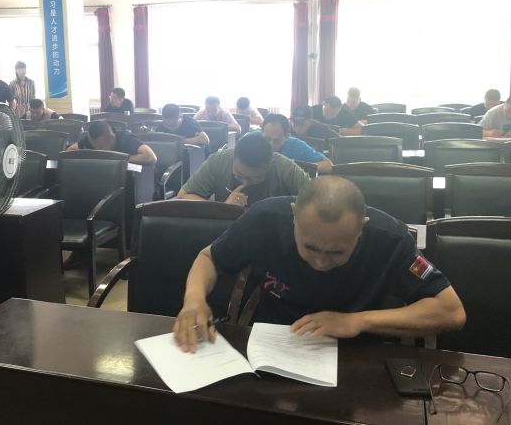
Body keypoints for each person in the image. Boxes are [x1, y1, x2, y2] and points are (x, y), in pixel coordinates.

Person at [173, 176, 466, 352]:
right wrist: (194, 299)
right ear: (293, 217)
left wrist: (357, 321)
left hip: (354, 351)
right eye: (310, 247)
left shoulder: (390, 239)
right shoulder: (265, 218)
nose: (321, 261)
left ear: (361, 229)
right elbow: (210, 257)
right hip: (272, 343)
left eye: (337, 252)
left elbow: (451, 311)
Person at [177, 133, 309, 207]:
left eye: (255, 178)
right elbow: (183, 195)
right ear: (233, 157)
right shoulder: (219, 160)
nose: (245, 183)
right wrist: (222, 208)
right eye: (239, 175)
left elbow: (316, 199)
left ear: (270, 164)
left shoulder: (284, 167)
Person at [260, 114, 331, 174]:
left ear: (287, 136)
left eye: (276, 140)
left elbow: (328, 165)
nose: (271, 144)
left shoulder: (296, 145)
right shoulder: (254, 139)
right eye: (267, 139)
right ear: (261, 133)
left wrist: (295, 168)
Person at [68, 120, 157, 165]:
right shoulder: (90, 140)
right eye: (94, 146)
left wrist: (118, 159)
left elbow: (151, 157)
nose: (98, 150)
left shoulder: (125, 138)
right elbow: (70, 151)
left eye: (101, 147)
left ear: (111, 138)